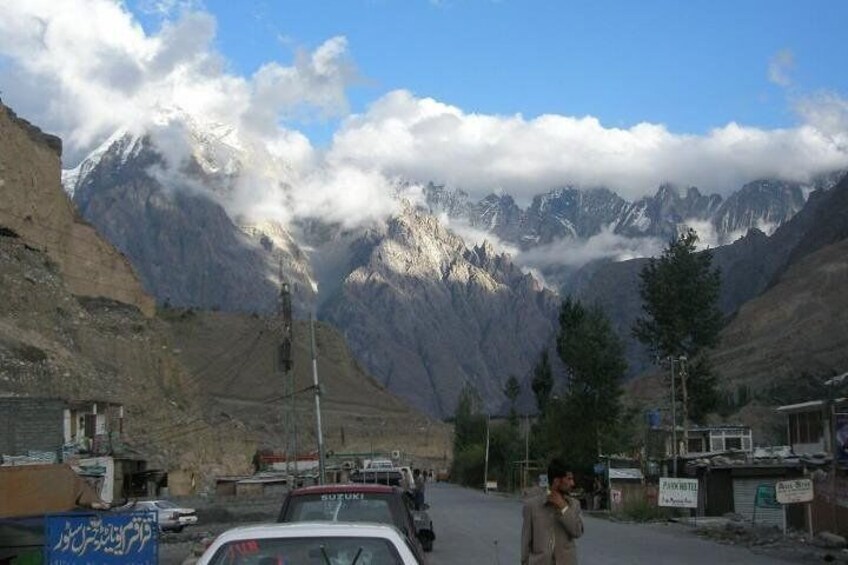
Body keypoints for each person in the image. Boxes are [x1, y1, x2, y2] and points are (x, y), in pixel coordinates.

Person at [521, 458, 584, 565]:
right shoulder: (532, 506)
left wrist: (563, 507)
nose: (572, 483)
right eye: (569, 479)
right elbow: (526, 544)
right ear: (557, 481)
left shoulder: (574, 505)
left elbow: (577, 531)